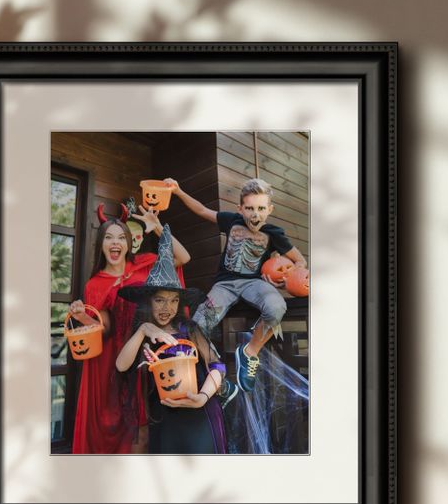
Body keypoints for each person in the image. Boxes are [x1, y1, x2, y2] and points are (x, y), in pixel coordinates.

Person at [67, 204, 191, 454]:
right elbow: (103, 328)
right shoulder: (94, 284)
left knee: (144, 426)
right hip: (115, 358)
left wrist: (157, 227)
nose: (115, 243)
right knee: (120, 422)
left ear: (129, 243)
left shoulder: (145, 264)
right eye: (109, 237)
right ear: (101, 244)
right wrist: (82, 317)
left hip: (149, 352)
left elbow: (183, 258)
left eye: (121, 237)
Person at [166, 176, 306, 393]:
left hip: (255, 284)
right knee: (197, 325)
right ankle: (217, 370)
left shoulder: (274, 234)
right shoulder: (232, 221)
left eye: (261, 208)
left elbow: (300, 261)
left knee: (276, 307)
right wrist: (178, 191)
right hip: (225, 285)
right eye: (249, 208)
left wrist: (283, 281)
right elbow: (203, 211)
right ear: (240, 208)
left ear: (270, 209)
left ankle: (250, 352)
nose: (255, 214)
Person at [113, 226, 228, 454]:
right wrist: (144, 330)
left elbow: (218, 366)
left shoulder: (189, 329)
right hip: (164, 419)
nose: (167, 308)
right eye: (160, 301)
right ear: (149, 302)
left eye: (173, 301)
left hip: (200, 414)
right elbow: (120, 365)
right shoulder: (144, 335)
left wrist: (203, 397)